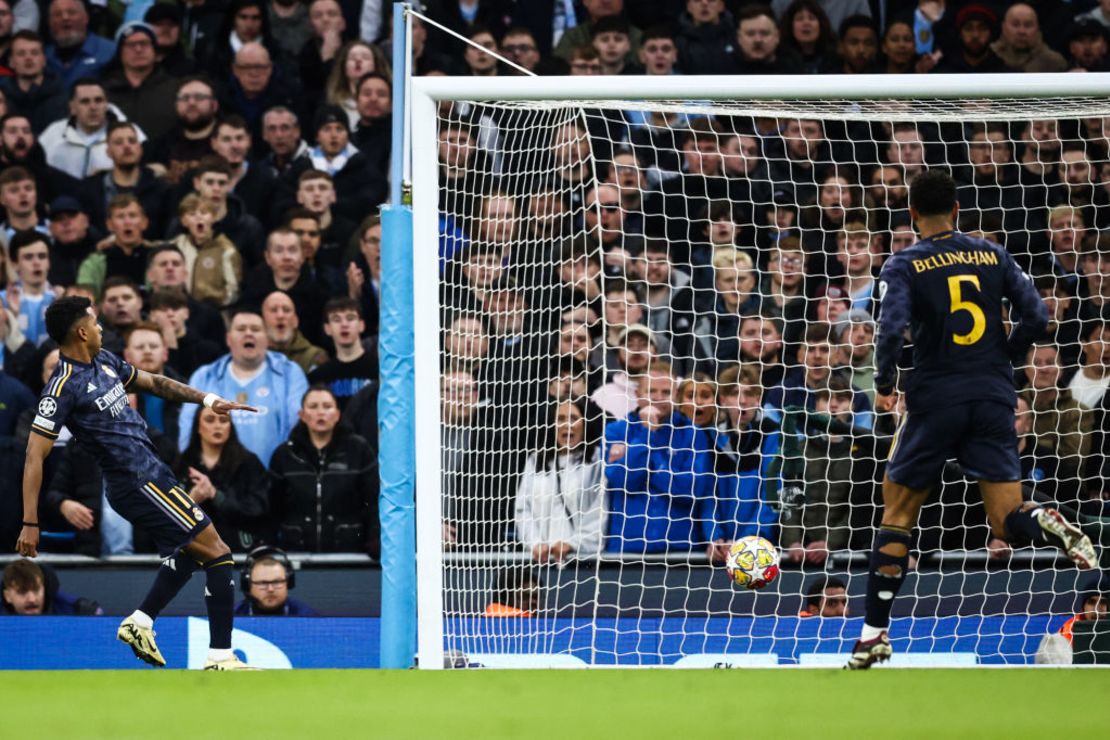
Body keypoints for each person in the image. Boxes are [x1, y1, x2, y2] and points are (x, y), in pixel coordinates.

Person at [847, 170, 1095, 670]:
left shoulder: (905, 262)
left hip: (935, 397)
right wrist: (1006, 355)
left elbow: (892, 327)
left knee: (897, 515)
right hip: (993, 395)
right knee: (1006, 518)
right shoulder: (992, 254)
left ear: (912, 213)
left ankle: (874, 635)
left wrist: (885, 382)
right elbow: (1039, 315)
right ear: (957, 209)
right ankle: (1044, 520)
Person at [16, 296, 258, 669]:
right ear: (81, 331)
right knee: (219, 552)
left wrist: (209, 400)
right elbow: (34, 455)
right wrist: (30, 522)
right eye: (95, 323)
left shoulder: (105, 361)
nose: (101, 329)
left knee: (193, 555)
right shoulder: (62, 387)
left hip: (154, 474)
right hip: (136, 482)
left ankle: (141, 621)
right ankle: (220, 657)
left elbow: (156, 382)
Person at [180, 307, 308, 466]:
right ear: (228, 339)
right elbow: (188, 429)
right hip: (217, 481)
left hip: (275, 478)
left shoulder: (290, 373)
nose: (249, 333)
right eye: (241, 329)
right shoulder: (204, 376)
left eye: (256, 329)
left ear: (267, 338)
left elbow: (299, 427)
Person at [269, 386, 379, 554]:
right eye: (313, 407)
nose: (320, 412)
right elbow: (273, 508)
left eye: (327, 407)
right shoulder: (284, 455)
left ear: (337, 414)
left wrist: (374, 539)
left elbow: (373, 501)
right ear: (302, 415)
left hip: (349, 555)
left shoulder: (359, 450)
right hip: (297, 554)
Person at [514, 399, 606, 563]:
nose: (567, 425)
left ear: (585, 423)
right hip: (541, 559)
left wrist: (573, 544)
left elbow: (600, 509)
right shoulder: (535, 460)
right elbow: (523, 509)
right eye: (561, 419)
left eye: (573, 418)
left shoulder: (597, 459)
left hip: (581, 559)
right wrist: (535, 543)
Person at [177, 406, 270, 552]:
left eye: (223, 420)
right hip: (193, 555)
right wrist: (190, 502)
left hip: (239, 553)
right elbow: (166, 518)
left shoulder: (249, 464)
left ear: (230, 427)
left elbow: (257, 510)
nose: (217, 426)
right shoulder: (181, 465)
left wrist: (216, 495)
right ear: (198, 427)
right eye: (209, 420)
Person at [234, 545, 317, 615]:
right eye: (263, 583)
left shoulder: (307, 617)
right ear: (248, 586)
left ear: (288, 583)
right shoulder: (232, 617)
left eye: (277, 582)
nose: (270, 589)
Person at [2, 559, 101, 615]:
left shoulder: (79, 611)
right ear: (7, 596)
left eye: (36, 590)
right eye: (22, 592)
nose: (32, 599)